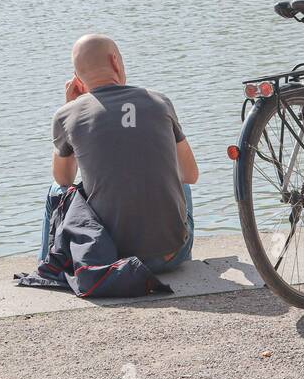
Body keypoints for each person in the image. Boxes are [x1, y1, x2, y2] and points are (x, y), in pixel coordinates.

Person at [43, 34, 198, 274]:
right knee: (182, 184)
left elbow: (64, 180)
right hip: (172, 256)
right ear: (115, 61)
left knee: (56, 190)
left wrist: (69, 110)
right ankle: (166, 244)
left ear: (77, 79)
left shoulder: (67, 115)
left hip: (110, 259)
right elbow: (190, 174)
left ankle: (49, 263)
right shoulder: (159, 101)